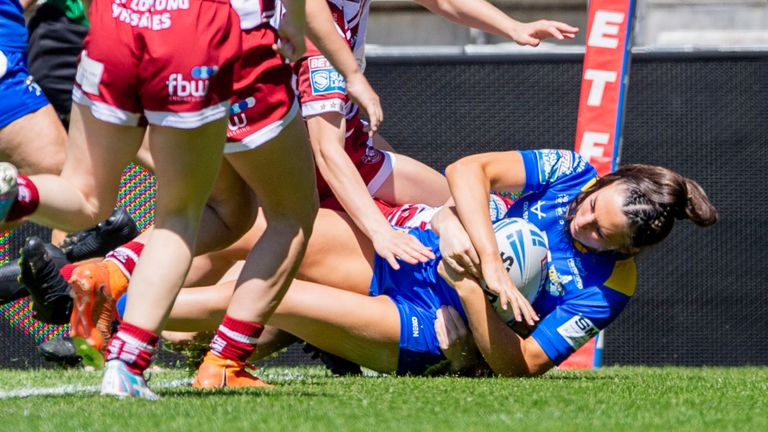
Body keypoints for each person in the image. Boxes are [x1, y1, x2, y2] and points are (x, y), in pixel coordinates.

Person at [148, 149, 718, 376]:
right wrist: (483, 255)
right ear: (606, 182)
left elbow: (521, 367)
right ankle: (116, 281)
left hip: (435, 332)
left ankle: (128, 316)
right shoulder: (575, 171)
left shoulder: (614, 285)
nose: (582, 224)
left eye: (600, 235)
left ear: (630, 251)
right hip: (413, 260)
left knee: (281, 295)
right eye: (593, 209)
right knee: (264, 232)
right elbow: (468, 170)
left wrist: (473, 291)